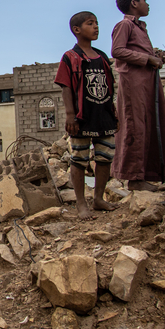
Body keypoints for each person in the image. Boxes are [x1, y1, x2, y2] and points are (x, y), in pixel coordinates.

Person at [54, 11, 119, 219]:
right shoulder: (70, 57)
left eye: (97, 23)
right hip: (83, 117)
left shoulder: (102, 57)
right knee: (79, 159)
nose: (96, 27)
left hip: (104, 114)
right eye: (90, 24)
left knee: (104, 157)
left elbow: (109, 86)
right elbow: (66, 87)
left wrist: (113, 109)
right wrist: (70, 115)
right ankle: (81, 203)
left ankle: (99, 198)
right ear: (77, 30)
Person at [110, 0, 165, 190]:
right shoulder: (125, 25)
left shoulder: (140, 28)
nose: (148, 4)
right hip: (134, 84)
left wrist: (156, 56)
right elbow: (117, 51)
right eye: (144, 0)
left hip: (147, 82)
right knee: (135, 126)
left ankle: (150, 174)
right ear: (134, 3)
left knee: (151, 124)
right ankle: (135, 178)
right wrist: (147, 59)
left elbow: (138, 52)